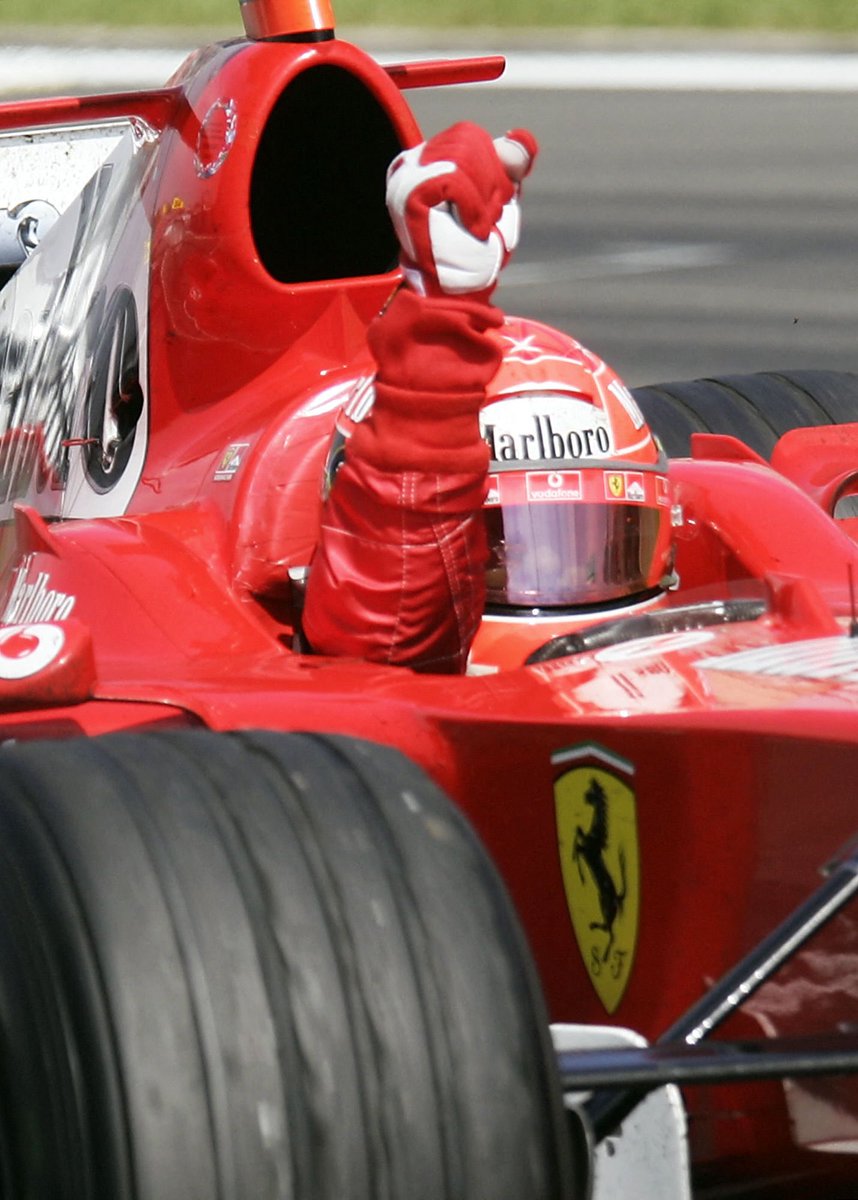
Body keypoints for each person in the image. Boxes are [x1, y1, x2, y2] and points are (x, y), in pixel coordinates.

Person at [301, 122, 674, 673]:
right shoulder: (399, 591)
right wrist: (443, 317)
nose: (549, 566)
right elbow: (394, 595)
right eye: (503, 555)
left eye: (601, 551)